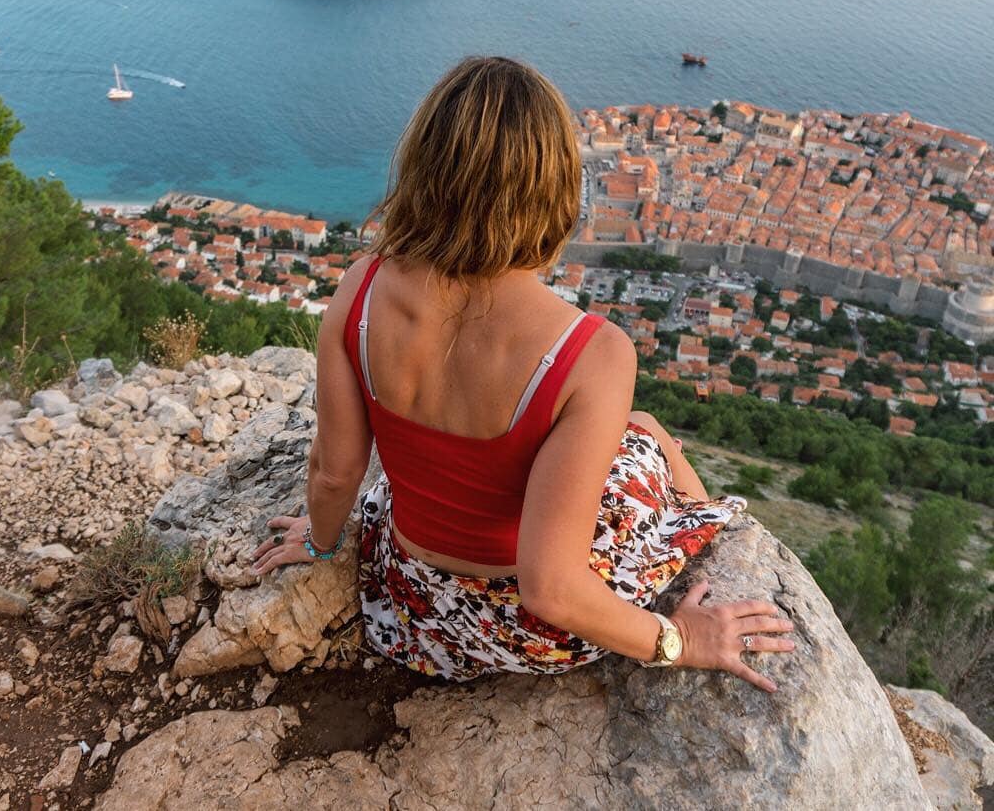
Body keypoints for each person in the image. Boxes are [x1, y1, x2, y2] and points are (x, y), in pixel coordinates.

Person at [253, 56, 795, 687]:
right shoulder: (591, 353)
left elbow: (336, 470)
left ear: (426, 168)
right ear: (555, 190)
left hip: (412, 600)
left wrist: (320, 544)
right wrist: (679, 642)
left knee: (631, 427)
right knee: (644, 431)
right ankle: (706, 567)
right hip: (530, 631)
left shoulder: (361, 290)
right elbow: (551, 591)